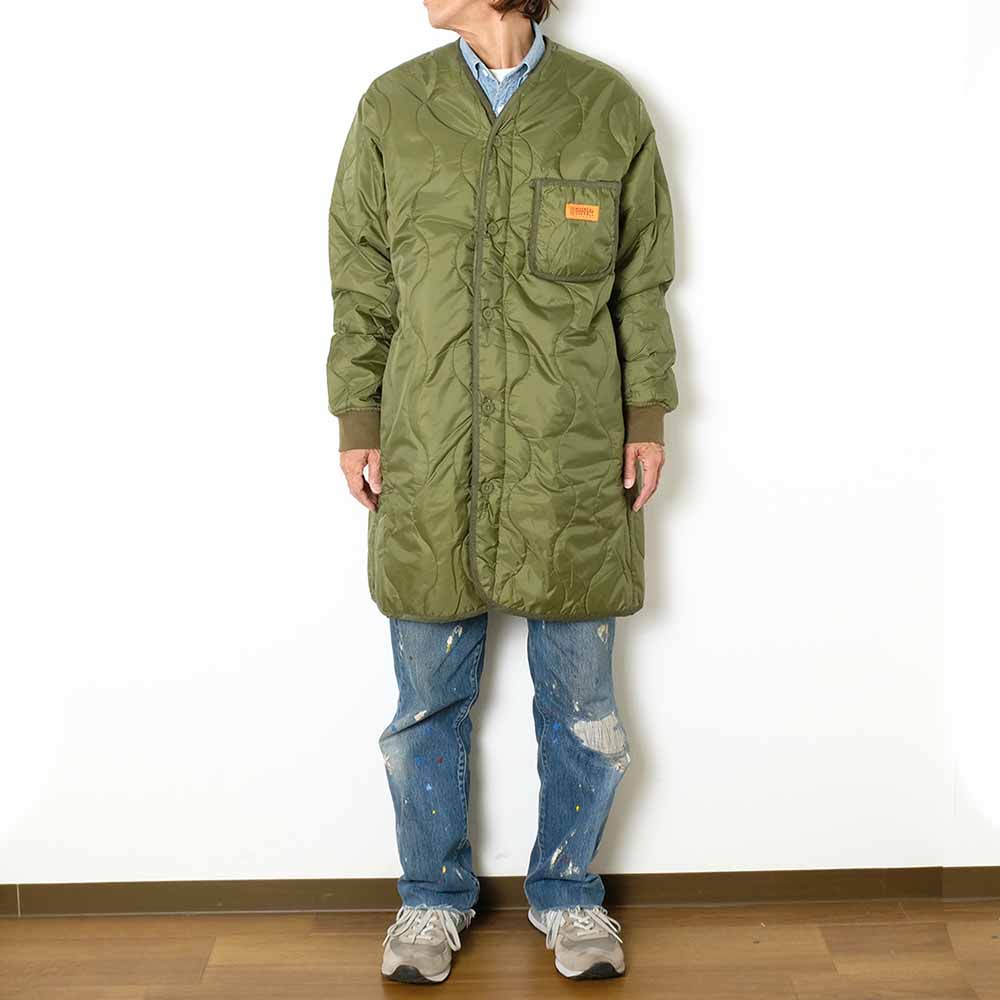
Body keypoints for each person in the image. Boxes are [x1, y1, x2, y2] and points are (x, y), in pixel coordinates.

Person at [326, 0, 677, 984]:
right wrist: (358, 418)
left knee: (582, 705)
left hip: (571, 454)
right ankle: (430, 899)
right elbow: (361, 283)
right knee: (423, 708)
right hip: (429, 450)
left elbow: (640, 282)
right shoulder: (392, 109)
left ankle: (569, 896)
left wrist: (646, 415)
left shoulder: (605, 108)